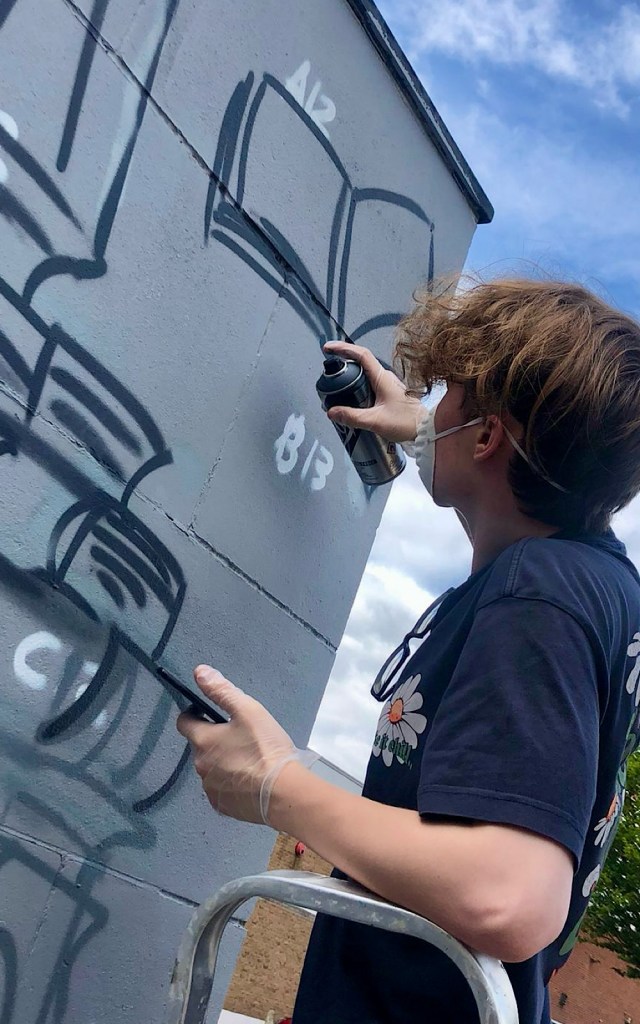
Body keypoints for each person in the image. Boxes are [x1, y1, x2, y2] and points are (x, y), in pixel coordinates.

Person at [177, 277, 640, 1024]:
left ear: (487, 436)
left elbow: (508, 894)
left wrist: (277, 785)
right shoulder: (598, 584)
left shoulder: (537, 594)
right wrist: (424, 428)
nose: (436, 413)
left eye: (451, 397)